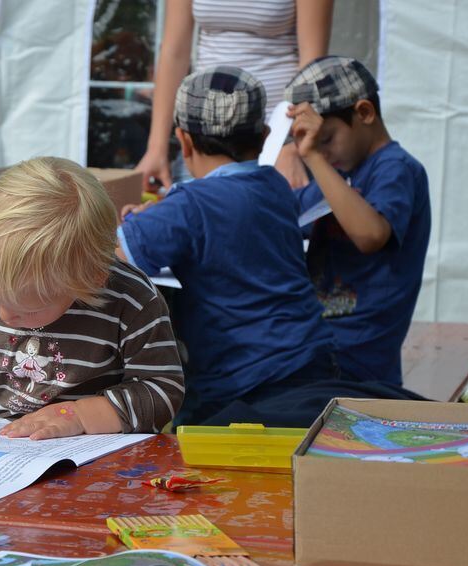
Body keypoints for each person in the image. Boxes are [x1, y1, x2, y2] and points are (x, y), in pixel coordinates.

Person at [0, 157, 185, 439]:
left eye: (29, 310)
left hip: (97, 458)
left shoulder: (131, 301)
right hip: (6, 448)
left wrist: (79, 416)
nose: (4, 316)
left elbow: (161, 390)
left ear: (93, 277)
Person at [117, 66, 337, 426]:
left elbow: (109, 258)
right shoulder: (275, 186)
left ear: (183, 140)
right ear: (265, 136)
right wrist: (159, 216)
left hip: (242, 386)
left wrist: (146, 220)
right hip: (310, 363)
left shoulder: (189, 206)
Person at [286, 56, 431, 386]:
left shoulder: (397, 168)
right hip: (320, 350)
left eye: (325, 139)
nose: (320, 152)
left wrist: (313, 158)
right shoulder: (339, 176)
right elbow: (282, 212)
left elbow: (370, 235)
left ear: (364, 112)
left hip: (360, 363)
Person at [134, 0, 333, 191]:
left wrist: (289, 143)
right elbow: (174, 53)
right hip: (203, 136)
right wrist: (156, 148)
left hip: (272, 134)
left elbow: (311, 64)